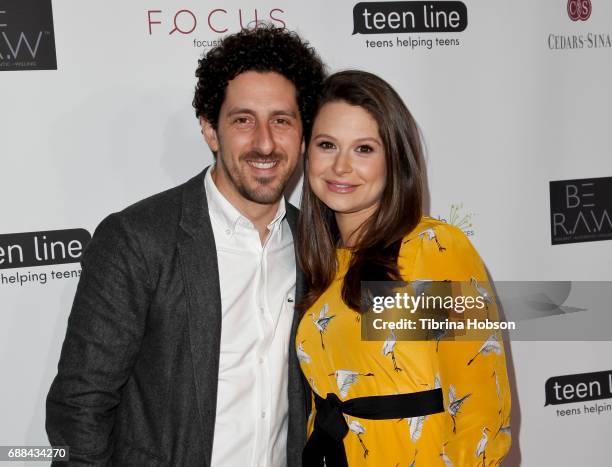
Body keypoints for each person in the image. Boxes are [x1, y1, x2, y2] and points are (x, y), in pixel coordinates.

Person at [46, 25, 325, 466]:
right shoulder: (136, 239)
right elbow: (80, 406)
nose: (265, 142)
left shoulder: (317, 244)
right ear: (210, 131)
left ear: (303, 135)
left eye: (282, 120)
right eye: (243, 120)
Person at [296, 70, 511, 466]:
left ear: (393, 159)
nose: (341, 166)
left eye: (364, 149)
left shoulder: (429, 250)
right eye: (328, 145)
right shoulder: (320, 260)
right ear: (307, 151)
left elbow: (478, 409)